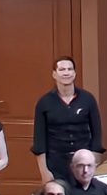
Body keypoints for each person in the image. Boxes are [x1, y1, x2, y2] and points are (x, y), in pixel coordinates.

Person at [31, 57, 102, 185]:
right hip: (56, 163)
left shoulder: (88, 99)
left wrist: (94, 164)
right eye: (62, 69)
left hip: (83, 161)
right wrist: (44, 172)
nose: (66, 73)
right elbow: (39, 141)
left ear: (74, 73)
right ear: (54, 74)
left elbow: (97, 134)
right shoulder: (44, 102)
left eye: (70, 69)